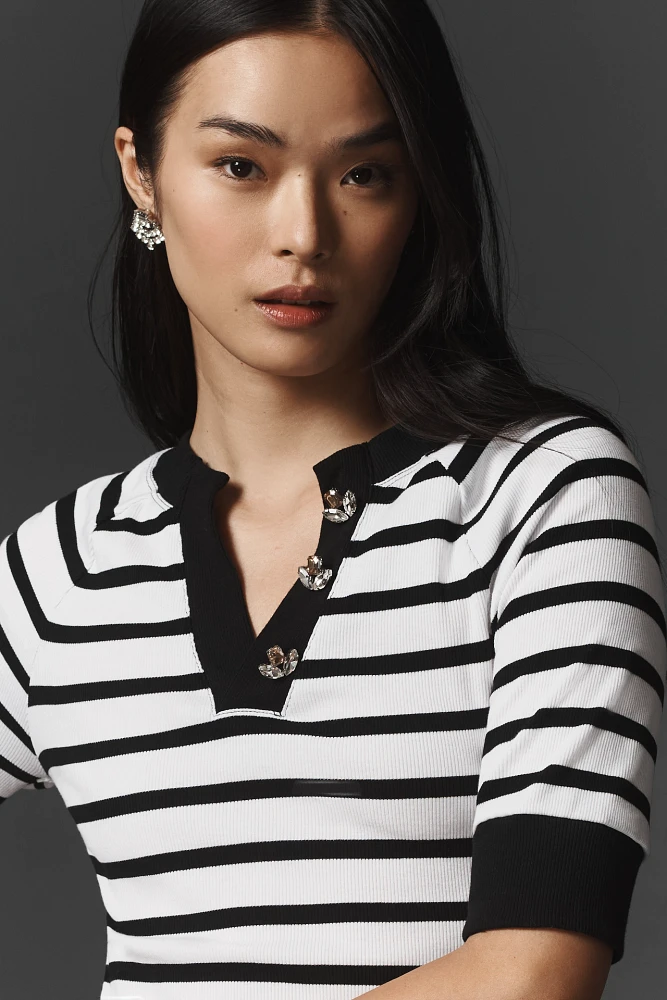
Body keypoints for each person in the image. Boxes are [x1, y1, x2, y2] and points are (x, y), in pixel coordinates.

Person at [1, 1, 665, 998]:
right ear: (142, 173)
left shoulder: (540, 495)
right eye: (242, 165)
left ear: (418, 192)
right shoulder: (60, 567)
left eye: (364, 174)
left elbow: (534, 970)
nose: (303, 234)